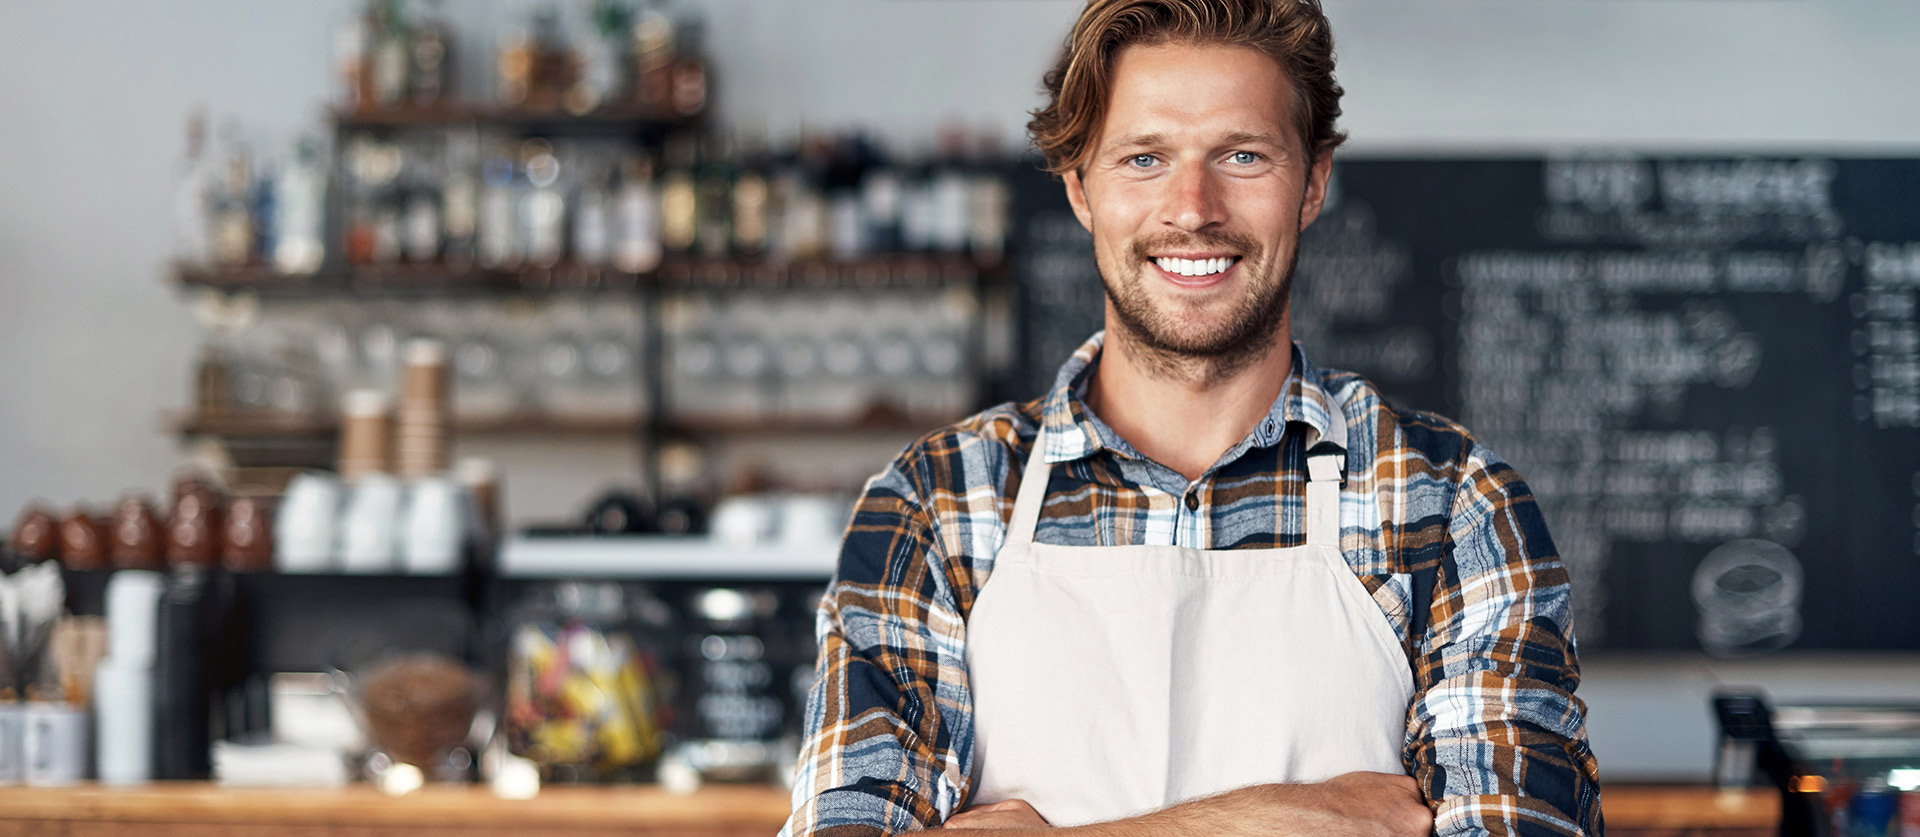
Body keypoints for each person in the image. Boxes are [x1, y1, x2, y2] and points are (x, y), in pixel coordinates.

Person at [781, 0, 1602, 834]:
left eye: (1243, 155)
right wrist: (1296, 816)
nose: (1192, 207)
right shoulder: (936, 503)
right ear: (1080, 189)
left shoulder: (1452, 501)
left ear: (1313, 182)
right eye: (1144, 158)